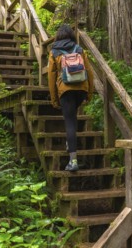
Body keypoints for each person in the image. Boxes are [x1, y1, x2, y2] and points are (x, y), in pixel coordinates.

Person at [48, 24, 94, 172]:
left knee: (69, 123)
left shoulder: (54, 52)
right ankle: (70, 142)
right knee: (72, 117)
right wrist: (89, 93)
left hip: (65, 90)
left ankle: (73, 161)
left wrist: (54, 98)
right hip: (81, 89)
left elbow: (51, 76)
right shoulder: (79, 50)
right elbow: (89, 72)